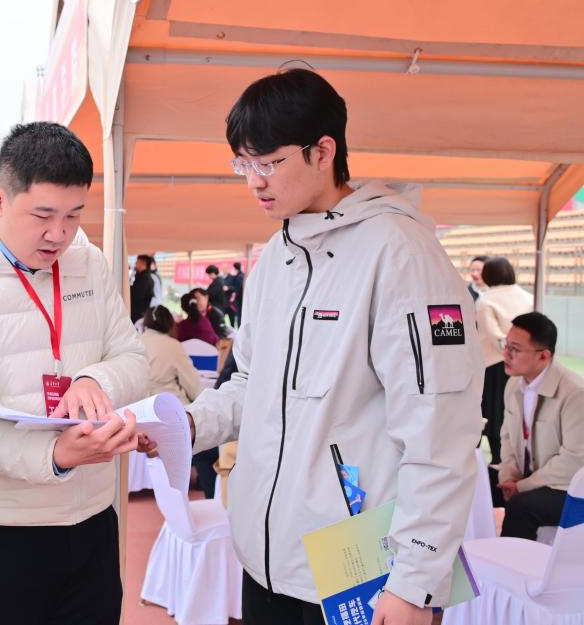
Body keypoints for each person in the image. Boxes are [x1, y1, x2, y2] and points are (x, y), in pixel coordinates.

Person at [141, 69, 483, 625]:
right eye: (243, 165)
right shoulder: (275, 258)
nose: (254, 182)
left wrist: (416, 583)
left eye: (269, 163)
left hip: (361, 565)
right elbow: (250, 382)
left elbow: (441, 429)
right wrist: (185, 426)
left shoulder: (400, 252)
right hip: (267, 560)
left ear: (323, 152)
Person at [0, 121, 147, 625]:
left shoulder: (89, 263)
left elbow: (131, 358)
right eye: (43, 215)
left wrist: (94, 382)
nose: (59, 233)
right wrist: (55, 455)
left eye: (74, 215)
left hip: (90, 516)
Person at [498, 312, 584, 540]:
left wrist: (521, 486)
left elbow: (574, 460)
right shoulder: (513, 384)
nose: (506, 354)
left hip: (568, 487)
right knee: (472, 482)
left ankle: (512, 561)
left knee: (520, 507)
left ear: (544, 356)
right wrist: (507, 477)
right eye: (505, 345)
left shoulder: (575, 393)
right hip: (530, 479)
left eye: (515, 349)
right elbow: (506, 437)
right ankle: (466, 556)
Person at [477, 256, 534, 464]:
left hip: (493, 367)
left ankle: (497, 461)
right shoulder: (528, 297)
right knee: (517, 413)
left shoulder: (485, 301)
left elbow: (494, 337)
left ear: (487, 276)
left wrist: (510, 352)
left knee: (493, 415)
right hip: (525, 366)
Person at [140, 305, 203, 407]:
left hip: (138, 406)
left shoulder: (135, 342)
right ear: (170, 324)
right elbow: (193, 385)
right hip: (169, 406)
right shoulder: (173, 345)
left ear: (145, 322)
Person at [130, 254, 156, 322]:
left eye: (137, 262)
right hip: (139, 314)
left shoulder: (144, 279)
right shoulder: (143, 277)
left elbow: (136, 295)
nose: (135, 263)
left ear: (143, 263)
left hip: (138, 315)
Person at [225, 261, 245, 327]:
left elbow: (237, 289)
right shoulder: (241, 275)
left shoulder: (239, 277)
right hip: (240, 300)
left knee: (239, 316)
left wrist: (233, 298)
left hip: (239, 300)